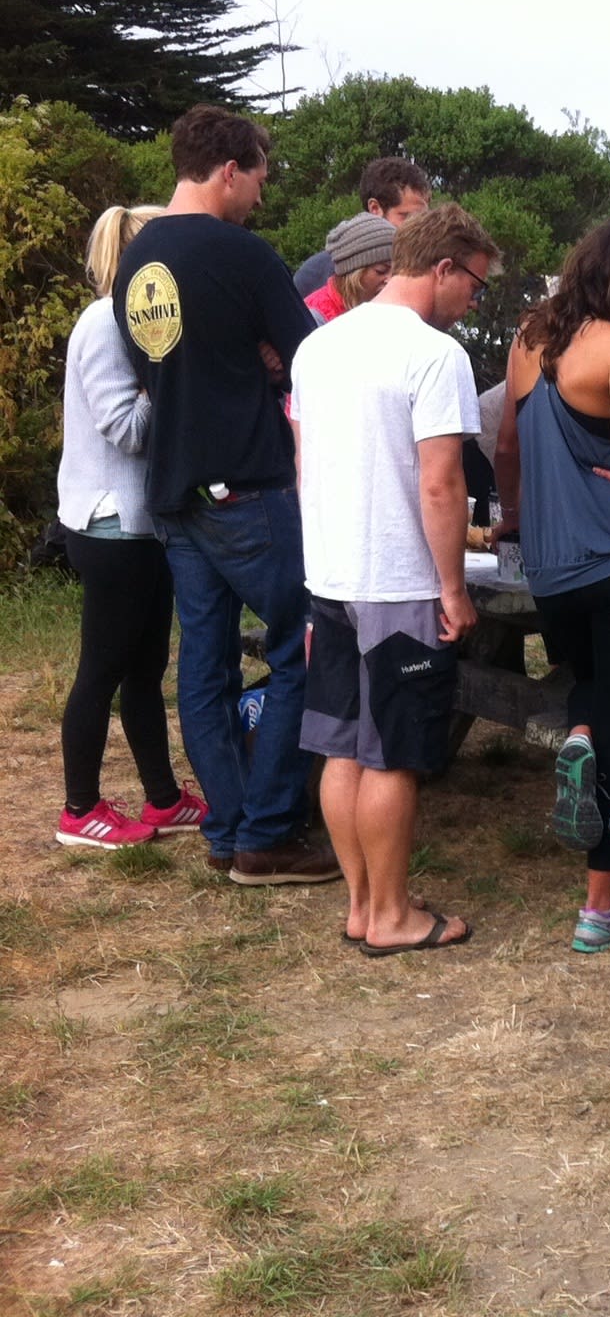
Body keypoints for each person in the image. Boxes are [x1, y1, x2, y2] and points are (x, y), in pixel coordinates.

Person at [114, 105, 337, 886]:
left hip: (173, 485)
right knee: (301, 647)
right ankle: (269, 834)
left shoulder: (134, 260)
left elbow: (157, 370)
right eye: (260, 180)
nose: (261, 197)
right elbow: (311, 355)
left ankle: (227, 828)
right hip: (246, 481)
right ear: (230, 170)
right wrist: (267, 363)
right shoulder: (241, 254)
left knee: (204, 668)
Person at [291, 205, 499, 954]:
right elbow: (441, 484)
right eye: (474, 285)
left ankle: (361, 906)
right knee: (396, 752)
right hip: (398, 580)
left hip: (333, 571)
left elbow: (303, 462)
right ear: (443, 268)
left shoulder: (319, 346)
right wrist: (452, 588)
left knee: (343, 745)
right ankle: (392, 916)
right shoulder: (434, 355)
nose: (474, 301)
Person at [494, 215, 610, 953]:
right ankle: (601, 907)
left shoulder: (531, 339)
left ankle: (577, 734)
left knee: (589, 685)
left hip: (552, 567)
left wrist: (515, 516)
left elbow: (506, 443)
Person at [53, 205, 208, 849]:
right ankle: (78, 811)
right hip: (112, 526)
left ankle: (163, 801)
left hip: (141, 528)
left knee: (144, 672)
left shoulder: (134, 326)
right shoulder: (102, 323)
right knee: (102, 671)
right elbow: (127, 430)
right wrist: (171, 382)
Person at [293, 157, 432, 296]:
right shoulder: (315, 275)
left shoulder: (430, 269)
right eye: (407, 217)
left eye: (424, 219)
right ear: (375, 208)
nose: (420, 229)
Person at [303, 212, 396, 326]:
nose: (391, 280)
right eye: (381, 271)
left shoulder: (388, 307)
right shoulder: (314, 318)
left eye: (397, 272)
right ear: (353, 272)